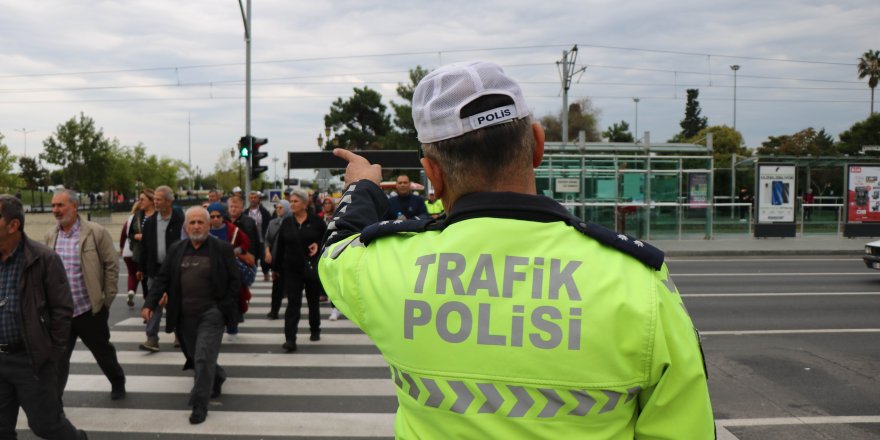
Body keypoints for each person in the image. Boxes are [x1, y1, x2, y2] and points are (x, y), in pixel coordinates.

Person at [320, 61, 714, 438]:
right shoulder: (639, 282)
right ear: (537, 145)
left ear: (433, 176)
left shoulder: (390, 266)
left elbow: (335, 253)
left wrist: (362, 187)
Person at [141, 207, 240, 425]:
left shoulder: (222, 249)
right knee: (196, 357)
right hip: (184, 314)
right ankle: (218, 376)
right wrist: (149, 303)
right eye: (192, 223)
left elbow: (235, 281)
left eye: (200, 222)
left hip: (212, 313)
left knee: (203, 356)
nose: (196, 226)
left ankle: (199, 404)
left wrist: (223, 308)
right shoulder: (176, 249)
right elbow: (162, 279)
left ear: (208, 225)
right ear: (186, 227)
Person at [0, 195, 88, 439]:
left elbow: (62, 310)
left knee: (46, 425)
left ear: (13, 225)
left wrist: (52, 353)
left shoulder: (43, 259)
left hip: (30, 360)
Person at [46, 189, 126, 401]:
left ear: (74, 206)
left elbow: (111, 265)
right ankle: (55, 400)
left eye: (60, 205)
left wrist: (106, 300)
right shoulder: (50, 236)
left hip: (88, 309)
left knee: (102, 352)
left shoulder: (95, 232)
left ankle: (117, 380)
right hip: (61, 312)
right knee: (59, 358)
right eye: (53, 206)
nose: (56, 210)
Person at [273, 189, 326, 352]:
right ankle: (290, 339)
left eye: (295, 201)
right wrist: (275, 268)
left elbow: (327, 241)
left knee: (312, 301)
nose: (292, 204)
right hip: (292, 269)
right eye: (291, 201)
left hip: (311, 268)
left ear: (305, 203)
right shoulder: (287, 223)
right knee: (293, 303)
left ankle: (315, 329)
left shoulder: (317, 222)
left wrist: (318, 243)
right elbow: (280, 246)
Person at [136, 185, 185, 352]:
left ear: (169, 201)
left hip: (177, 269)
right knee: (154, 301)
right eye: (154, 199)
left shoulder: (180, 220)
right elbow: (144, 247)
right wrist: (141, 267)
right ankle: (151, 338)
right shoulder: (150, 222)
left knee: (176, 302)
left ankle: (180, 334)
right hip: (155, 269)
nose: (155, 202)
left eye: (159, 199)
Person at [206, 202, 253, 340]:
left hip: (229, 272)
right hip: (210, 272)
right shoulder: (204, 229)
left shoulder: (233, 230)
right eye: (212, 216)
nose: (215, 219)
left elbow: (246, 243)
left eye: (218, 216)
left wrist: (236, 251)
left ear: (223, 216)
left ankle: (232, 328)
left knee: (232, 301)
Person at [263, 200, 291, 320]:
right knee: (276, 288)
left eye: (281, 207)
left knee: (291, 288)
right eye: (277, 207)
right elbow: (267, 240)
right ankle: (274, 311)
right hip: (276, 261)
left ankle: (291, 313)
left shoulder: (292, 222)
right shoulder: (272, 223)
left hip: (289, 261)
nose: (278, 209)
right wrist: (267, 252)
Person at [128, 188, 155, 305]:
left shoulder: (159, 216)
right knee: (144, 283)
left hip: (156, 255)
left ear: (151, 200)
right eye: (139, 200)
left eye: (143, 199)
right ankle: (148, 307)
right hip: (141, 255)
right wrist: (136, 237)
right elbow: (130, 234)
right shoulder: (138, 215)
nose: (140, 202)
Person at [247, 191, 271, 281]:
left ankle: (266, 272)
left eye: (255, 198)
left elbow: (269, 224)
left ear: (258, 199)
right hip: (251, 240)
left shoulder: (264, 212)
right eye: (251, 198)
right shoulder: (246, 212)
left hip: (262, 239)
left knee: (264, 257)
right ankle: (251, 274)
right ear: (249, 199)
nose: (253, 199)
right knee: (252, 258)